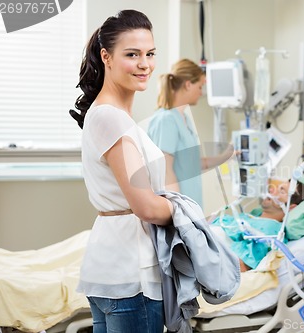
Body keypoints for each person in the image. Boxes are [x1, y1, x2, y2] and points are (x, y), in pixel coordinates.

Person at [69, 10, 172, 333]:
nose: (145, 64)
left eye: (150, 54)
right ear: (106, 57)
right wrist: (186, 211)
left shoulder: (108, 115)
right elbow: (144, 205)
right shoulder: (111, 118)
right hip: (131, 275)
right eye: (132, 55)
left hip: (111, 268)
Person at [147, 59, 233, 208]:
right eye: (200, 86)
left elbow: (196, 163)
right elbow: (165, 172)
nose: (201, 93)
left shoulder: (184, 118)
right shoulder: (166, 120)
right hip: (178, 211)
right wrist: (180, 212)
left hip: (191, 208)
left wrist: (228, 154)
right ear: (188, 84)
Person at [211, 179, 304, 272]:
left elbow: (238, 266)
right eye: (277, 187)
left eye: (282, 191)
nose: (272, 190)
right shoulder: (249, 217)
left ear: (291, 207)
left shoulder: (270, 230)